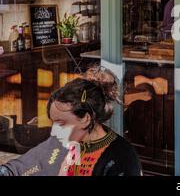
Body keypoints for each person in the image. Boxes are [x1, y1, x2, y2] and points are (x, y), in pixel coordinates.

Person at [0, 66, 142, 176]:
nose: (54, 130)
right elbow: (20, 168)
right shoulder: (60, 143)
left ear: (86, 119)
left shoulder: (122, 158)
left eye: (61, 123)